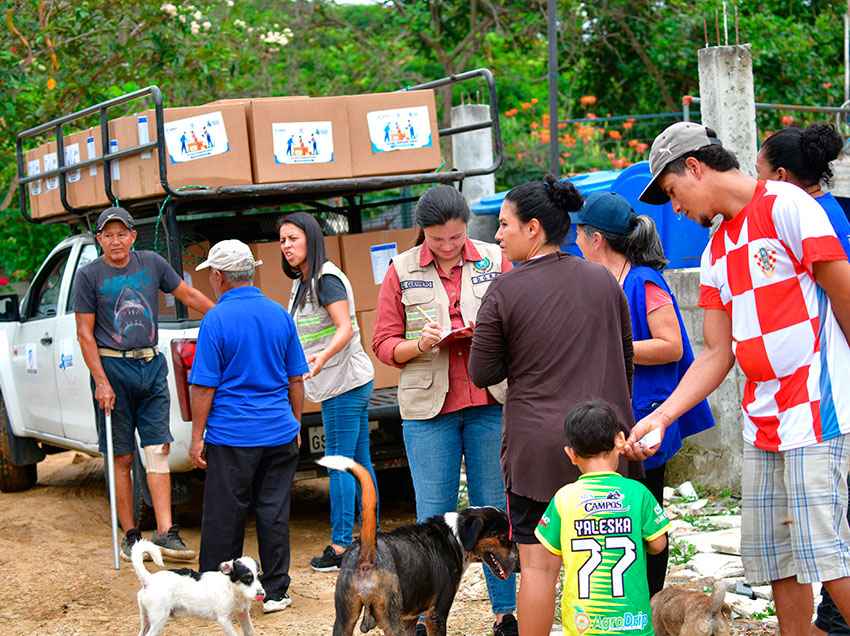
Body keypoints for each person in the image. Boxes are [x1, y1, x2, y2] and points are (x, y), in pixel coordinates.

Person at [631, 121, 850, 635]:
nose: (676, 207)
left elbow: (843, 290)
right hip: (762, 421)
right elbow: (714, 352)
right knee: (776, 560)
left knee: (828, 554)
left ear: (695, 166)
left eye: (672, 192)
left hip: (816, 411)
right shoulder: (715, 251)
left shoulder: (788, 205)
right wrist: (660, 418)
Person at [469, 175, 639, 636]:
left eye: (505, 225)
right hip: (604, 449)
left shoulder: (504, 291)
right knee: (606, 565)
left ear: (534, 228)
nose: (498, 235)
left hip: (537, 453)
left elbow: (481, 373)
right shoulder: (602, 278)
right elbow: (625, 360)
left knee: (540, 568)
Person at [372, 185, 518, 636]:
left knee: (496, 513)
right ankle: (423, 612)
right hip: (427, 408)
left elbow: (520, 323)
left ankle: (504, 613)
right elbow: (383, 344)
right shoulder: (400, 270)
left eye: (456, 237)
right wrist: (420, 344)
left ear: (466, 227)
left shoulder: (497, 259)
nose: (449, 247)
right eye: (438, 240)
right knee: (431, 515)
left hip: (489, 401)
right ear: (424, 233)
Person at [572, 191, 715, 596]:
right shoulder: (604, 281)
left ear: (596, 238)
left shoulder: (643, 281)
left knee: (647, 514)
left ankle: (649, 600)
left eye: (580, 234)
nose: (576, 242)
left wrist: (614, 346)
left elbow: (672, 345)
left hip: (648, 417)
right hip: (620, 414)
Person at [73, 206, 213, 561]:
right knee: (121, 457)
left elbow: (187, 294)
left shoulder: (151, 263)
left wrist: (224, 314)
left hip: (150, 365)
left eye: (122, 234)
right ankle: (132, 535)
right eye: (108, 235)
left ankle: (166, 532)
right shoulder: (89, 276)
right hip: (112, 369)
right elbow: (85, 335)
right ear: (99, 239)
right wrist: (101, 381)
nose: (116, 241)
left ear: (133, 236)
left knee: (158, 450)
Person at [756, 122, 850, 636]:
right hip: (814, 394)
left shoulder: (810, 218)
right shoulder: (826, 211)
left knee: (828, 538)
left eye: (761, 172)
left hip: (824, 395)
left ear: (784, 177)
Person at [188, 239, 309, 614]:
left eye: (211, 273)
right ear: (251, 271)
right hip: (279, 430)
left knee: (225, 513)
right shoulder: (278, 314)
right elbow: (296, 380)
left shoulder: (216, 320)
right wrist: (296, 424)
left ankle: (215, 589)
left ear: (219, 277)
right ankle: (275, 591)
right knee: (274, 511)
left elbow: (204, 386)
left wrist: (197, 438)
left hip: (232, 434)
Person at [278, 212, 377, 572]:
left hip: (342, 383)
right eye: (283, 240)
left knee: (337, 463)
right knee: (359, 463)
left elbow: (345, 329)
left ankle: (340, 546)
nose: (287, 246)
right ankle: (370, 537)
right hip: (340, 381)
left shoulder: (326, 279)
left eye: (293, 238)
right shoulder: (304, 280)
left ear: (311, 239)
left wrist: (321, 358)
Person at [535, 400, 670, 636]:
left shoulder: (563, 498)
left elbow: (550, 550)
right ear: (620, 440)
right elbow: (659, 545)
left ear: (571, 454)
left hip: (583, 624)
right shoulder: (638, 493)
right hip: (632, 622)